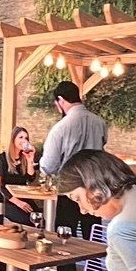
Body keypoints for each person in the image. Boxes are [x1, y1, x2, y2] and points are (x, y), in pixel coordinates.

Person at [39, 80, 109, 239]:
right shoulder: (100, 123)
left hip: (69, 190)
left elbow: (49, 166)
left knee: (65, 238)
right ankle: (93, 257)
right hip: (94, 188)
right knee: (92, 237)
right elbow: (102, 148)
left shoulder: (60, 128)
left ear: (60, 100)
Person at [0, 124, 43, 224]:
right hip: (8, 199)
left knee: (41, 219)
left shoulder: (24, 158)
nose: (24, 140)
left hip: (24, 197)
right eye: (21, 137)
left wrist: (30, 160)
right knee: (28, 221)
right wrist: (18, 202)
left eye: (26, 138)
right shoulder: (2, 158)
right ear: (13, 139)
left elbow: (30, 178)